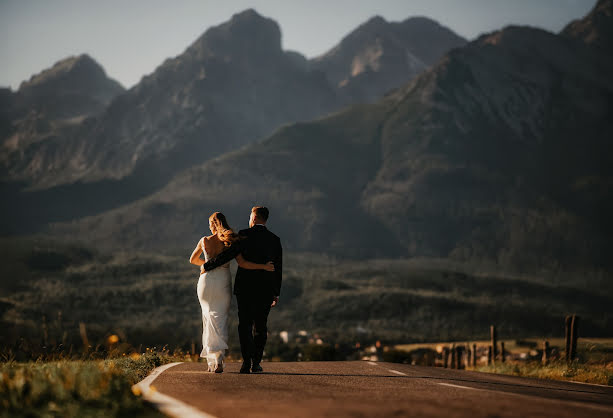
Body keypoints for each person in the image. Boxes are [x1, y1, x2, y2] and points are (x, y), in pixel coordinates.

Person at [189, 211, 274, 373]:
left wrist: (205, 265)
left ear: (213, 224)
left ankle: (210, 362)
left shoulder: (204, 240)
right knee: (219, 318)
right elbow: (243, 263)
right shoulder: (230, 240)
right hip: (222, 281)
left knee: (207, 318)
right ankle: (219, 360)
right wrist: (263, 267)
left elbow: (192, 259)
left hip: (205, 281)